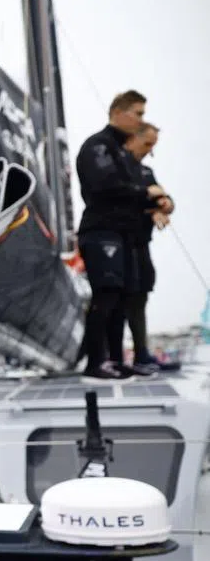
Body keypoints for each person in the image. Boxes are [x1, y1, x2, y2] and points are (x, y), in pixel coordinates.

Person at [75, 90, 170, 380]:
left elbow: (140, 191)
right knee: (106, 296)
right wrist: (146, 195)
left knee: (121, 299)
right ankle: (96, 361)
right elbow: (106, 186)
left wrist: (159, 203)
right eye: (138, 114)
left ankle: (116, 359)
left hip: (124, 235)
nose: (141, 120)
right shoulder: (98, 146)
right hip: (101, 232)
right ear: (119, 111)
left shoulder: (123, 154)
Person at [109, 123, 179, 374]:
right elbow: (116, 199)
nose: (150, 151)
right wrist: (150, 205)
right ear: (132, 140)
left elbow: (164, 198)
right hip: (117, 245)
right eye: (147, 144)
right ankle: (114, 357)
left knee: (141, 293)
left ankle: (142, 353)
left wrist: (164, 205)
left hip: (141, 245)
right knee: (117, 298)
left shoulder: (146, 171)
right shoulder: (116, 168)